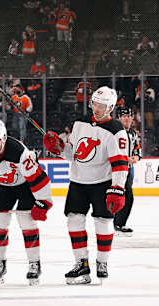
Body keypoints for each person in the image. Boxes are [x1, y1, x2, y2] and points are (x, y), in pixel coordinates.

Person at [43, 86, 129, 284]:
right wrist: (59, 147)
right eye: (95, 104)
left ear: (111, 107)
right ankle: (81, 263)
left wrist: (117, 189)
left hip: (102, 183)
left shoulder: (116, 131)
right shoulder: (80, 122)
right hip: (78, 182)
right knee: (73, 220)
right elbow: (73, 154)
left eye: (102, 106)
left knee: (103, 221)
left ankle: (102, 262)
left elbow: (120, 164)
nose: (97, 109)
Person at [0, 120, 52, 285]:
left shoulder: (19, 152)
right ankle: (0, 263)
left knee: (27, 221)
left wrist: (43, 201)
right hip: (2, 186)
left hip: (26, 185)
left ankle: (34, 264)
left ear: (4, 138)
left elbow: (38, 178)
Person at [114, 107, 141, 235]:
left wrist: (135, 157)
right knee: (117, 196)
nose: (127, 118)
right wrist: (125, 159)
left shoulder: (133, 134)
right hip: (115, 170)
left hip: (128, 170)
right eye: (124, 116)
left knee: (128, 197)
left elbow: (137, 149)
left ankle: (119, 224)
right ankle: (114, 224)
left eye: (129, 116)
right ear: (119, 118)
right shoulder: (114, 132)